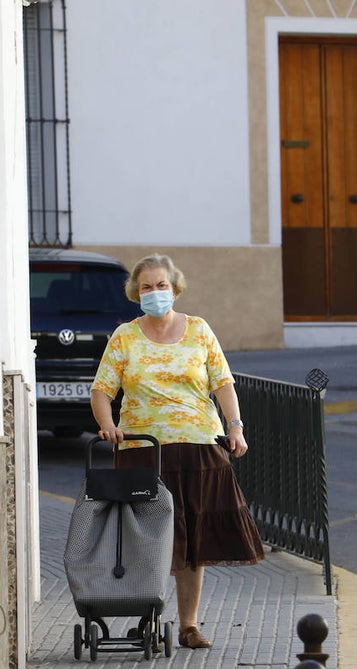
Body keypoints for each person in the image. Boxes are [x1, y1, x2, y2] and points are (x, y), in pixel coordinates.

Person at [90, 253, 265, 649]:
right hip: (142, 451)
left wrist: (235, 428)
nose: (155, 293)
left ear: (175, 288)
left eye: (161, 285)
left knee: (194, 538)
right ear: (136, 292)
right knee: (146, 539)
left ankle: (188, 625)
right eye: (147, 287)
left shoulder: (200, 330)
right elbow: (101, 391)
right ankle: (144, 617)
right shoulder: (125, 336)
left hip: (199, 446)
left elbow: (223, 383)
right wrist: (108, 425)